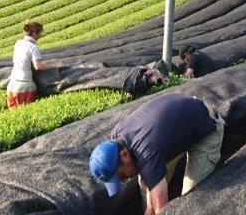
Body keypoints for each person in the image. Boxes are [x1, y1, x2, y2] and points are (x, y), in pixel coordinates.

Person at [89, 92, 225, 214]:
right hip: (178, 128)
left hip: (206, 125)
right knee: (145, 182)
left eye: (123, 175)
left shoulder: (146, 152)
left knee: (190, 199)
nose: (125, 180)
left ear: (125, 154)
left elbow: (162, 209)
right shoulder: (117, 135)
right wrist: (149, 210)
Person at [6, 19, 63, 109]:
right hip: (24, 86)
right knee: (25, 112)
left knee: (12, 112)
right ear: (34, 33)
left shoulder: (18, 43)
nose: (40, 36)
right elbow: (38, 66)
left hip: (12, 84)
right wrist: (56, 65)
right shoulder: (33, 47)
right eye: (40, 33)